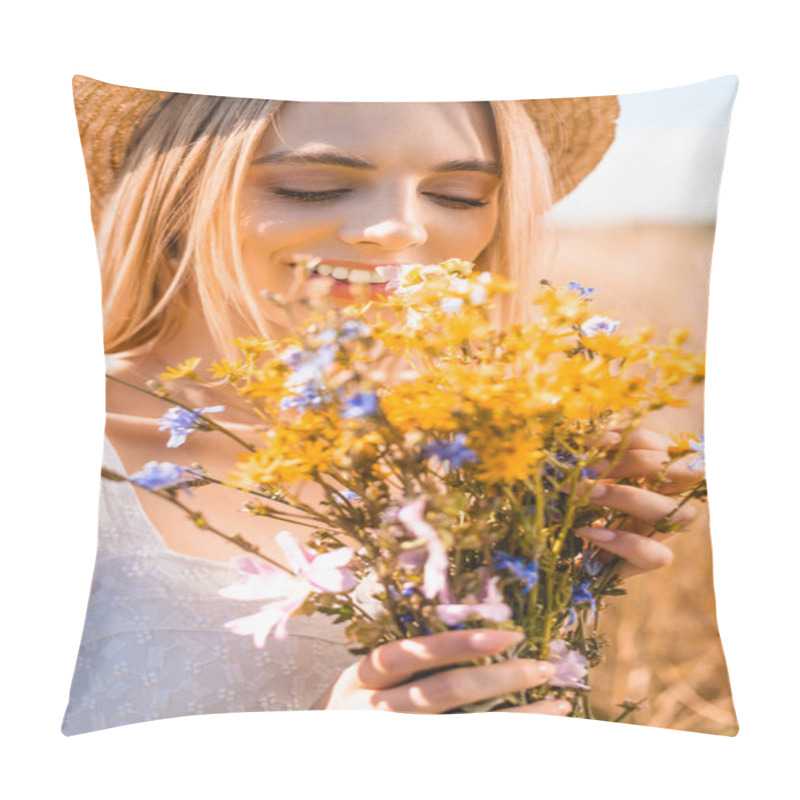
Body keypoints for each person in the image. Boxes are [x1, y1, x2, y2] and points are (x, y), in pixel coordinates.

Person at [62, 77, 702, 733]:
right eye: (310, 186)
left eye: (459, 196)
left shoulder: (494, 460)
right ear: (176, 193)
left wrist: (569, 563)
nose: (400, 227)